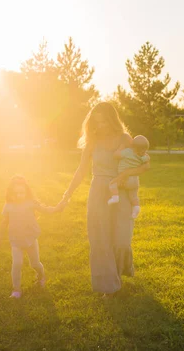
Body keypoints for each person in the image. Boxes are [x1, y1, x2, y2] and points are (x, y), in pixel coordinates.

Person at [57, 102, 150, 297]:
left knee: (122, 240)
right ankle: (109, 285)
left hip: (120, 189)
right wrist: (67, 194)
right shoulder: (92, 141)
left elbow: (137, 163)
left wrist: (125, 177)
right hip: (98, 191)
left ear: (112, 119)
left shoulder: (125, 138)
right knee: (100, 240)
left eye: (104, 121)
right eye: (96, 122)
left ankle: (119, 272)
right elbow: (81, 170)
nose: (101, 126)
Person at [0, 175, 60, 299]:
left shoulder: (30, 203)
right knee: (17, 264)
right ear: (10, 193)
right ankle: (16, 290)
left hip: (31, 239)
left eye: (22, 192)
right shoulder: (8, 206)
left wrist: (57, 208)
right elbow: (4, 222)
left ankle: (41, 276)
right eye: (16, 193)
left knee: (35, 263)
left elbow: (45, 210)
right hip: (15, 240)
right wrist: (0, 237)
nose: (19, 195)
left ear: (26, 192)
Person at [108, 135, 150, 219]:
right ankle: (136, 208)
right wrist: (144, 154)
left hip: (125, 179)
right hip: (135, 180)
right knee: (133, 196)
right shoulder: (143, 156)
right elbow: (147, 162)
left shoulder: (128, 152)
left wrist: (121, 147)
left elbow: (115, 155)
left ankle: (115, 197)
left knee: (112, 184)